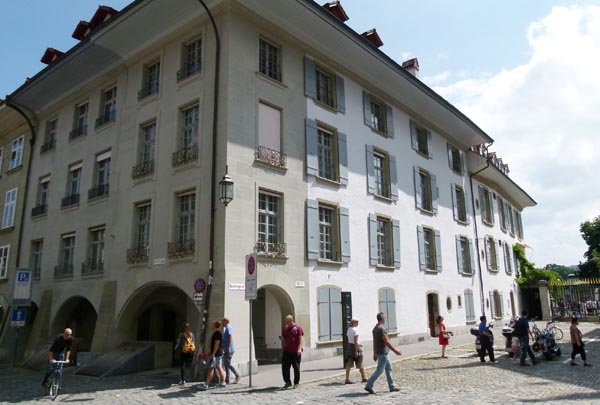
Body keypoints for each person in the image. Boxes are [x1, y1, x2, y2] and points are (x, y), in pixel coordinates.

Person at [364, 312, 401, 394]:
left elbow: (374, 342)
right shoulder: (381, 329)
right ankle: (368, 385)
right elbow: (386, 341)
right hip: (383, 353)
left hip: (381, 352)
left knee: (388, 368)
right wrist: (395, 351)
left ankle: (392, 386)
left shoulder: (375, 329)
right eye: (384, 318)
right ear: (382, 319)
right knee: (379, 370)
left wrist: (374, 353)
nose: (385, 319)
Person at [197, 321, 226, 390]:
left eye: (213, 324)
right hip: (217, 354)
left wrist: (213, 353)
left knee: (211, 368)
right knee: (219, 367)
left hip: (216, 354)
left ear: (215, 325)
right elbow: (214, 345)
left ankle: (206, 384)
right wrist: (210, 352)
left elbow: (217, 344)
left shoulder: (217, 333)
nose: (212, 326)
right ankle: (223, 382)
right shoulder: (217, 333)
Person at [280, 314, 304, 389]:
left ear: (291, 320)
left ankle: (296, 383)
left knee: (296, 367)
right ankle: (287, 382)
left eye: (287, 321)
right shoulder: (285, 328)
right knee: (285, 367)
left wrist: (299, 349)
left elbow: (301, 338)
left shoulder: (298, 328)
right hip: (286, 350)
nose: (286, 323)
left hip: (295, 351)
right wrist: (282, 338)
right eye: (286, 321)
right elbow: (284, 337)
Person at [344, 318, 367, 384]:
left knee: (348, 364)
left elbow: (350, 340)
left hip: (350, 347)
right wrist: (356, 351)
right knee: (360, 362)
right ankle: (363, 378)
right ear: (354, 322)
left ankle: (347, 379)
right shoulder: (355, 330)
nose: (358, 323)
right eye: (357, 322)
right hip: (355, 347)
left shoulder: (349, 329)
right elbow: (355, 341)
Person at [221, 317, 241, 384]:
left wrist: (229, 347)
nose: (222, 323)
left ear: (225, 321)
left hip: (229, 349)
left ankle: (237, 375)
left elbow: (230, 338)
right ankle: (227, 379)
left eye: (223, 322)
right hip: (226, 349)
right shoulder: (227, 328)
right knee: (226, 364)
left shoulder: (228, 328)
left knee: (228, 363)